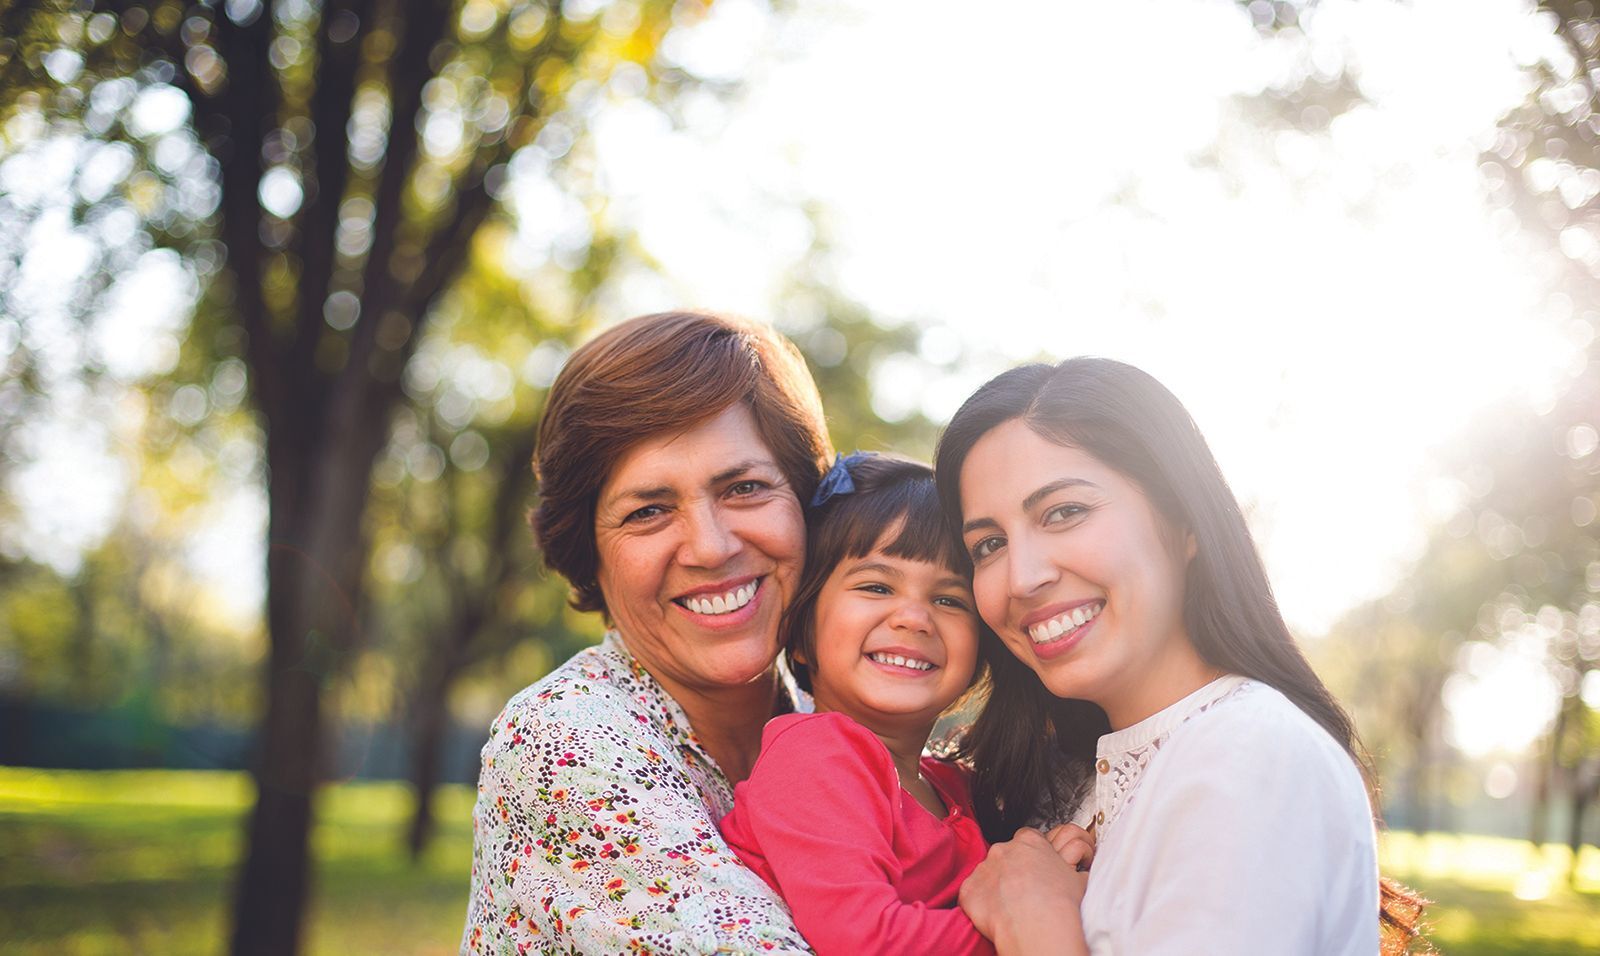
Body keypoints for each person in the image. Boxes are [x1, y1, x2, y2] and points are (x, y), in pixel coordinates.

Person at [933, 358, 1402, 954]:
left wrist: (1035, 919)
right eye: (989, 544)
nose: (1022, 578)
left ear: (1184, 520)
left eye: (1064, 512)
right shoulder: (1078, 783)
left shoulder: (1250, 753)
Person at [460, 311, 831, 954]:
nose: (711, 548)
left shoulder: (829, 731)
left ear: (807, 505)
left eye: (744, 487)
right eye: (649, 510)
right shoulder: (567, 739)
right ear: (589, 552)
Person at [720, 453, 1007, 956]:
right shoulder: (815, 756)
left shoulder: (955, 784)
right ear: (803, 634)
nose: (915, 618)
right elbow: (866, 941)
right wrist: (1027, 926)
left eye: (950, 599)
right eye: (877, 586)